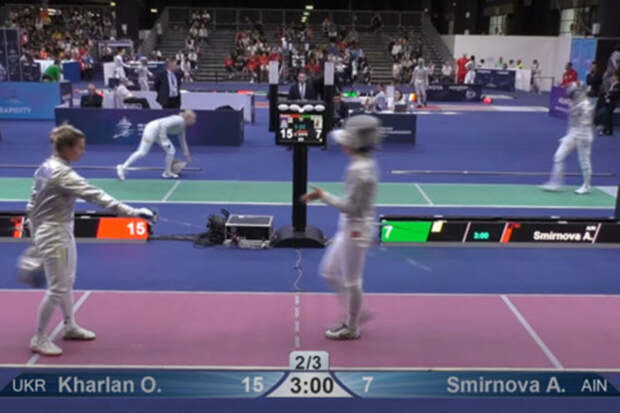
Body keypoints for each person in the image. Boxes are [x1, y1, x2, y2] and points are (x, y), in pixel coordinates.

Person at [16, 125, 154, 356]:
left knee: (67, 281)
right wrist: (131, 212)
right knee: (58, 288)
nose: (83, 151)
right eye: (80, 147)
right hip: (54, 234)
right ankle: (39, 338)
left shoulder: (45, 166)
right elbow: (95, 195)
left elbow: (32, 203)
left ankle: (69, 326)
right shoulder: (62, 174)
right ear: (66, 148)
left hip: (57, 230)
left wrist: (35, 230)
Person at [301, 115, 380, 340]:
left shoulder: (359, 170)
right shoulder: (364, 163)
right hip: (350, 226)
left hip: (356, 229)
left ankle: (352, 326)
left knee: (352, 281)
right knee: (328, 271)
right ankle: (357, 311)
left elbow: (350, 208)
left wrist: (322, 196)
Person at [541, 83, 594, 194]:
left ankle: (587, 185)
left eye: (573, 95)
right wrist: (568, 136)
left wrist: (576, 137)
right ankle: (555, 183)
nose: (571, 98)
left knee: (584, 161)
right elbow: (573, 123)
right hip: (573, 134)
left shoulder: (586, 105)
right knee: (558, 156)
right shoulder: (574, 103)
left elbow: (586, 123)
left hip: (584, 136)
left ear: (578, 93)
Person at [116, 110, 197, 180]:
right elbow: (164, 125)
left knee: (171, 151)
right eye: (194, 119)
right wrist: (164, 140)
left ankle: (167, 172)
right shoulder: (179, 120)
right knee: (142, 152)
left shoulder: (182, 126)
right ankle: (122, 167)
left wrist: (187, 154)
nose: (195, 121)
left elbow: (182, 141)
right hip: (152, 129)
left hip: (157, 132)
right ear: (188, 118)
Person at [597, 69, 619, 136]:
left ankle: (608, 130)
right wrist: (607, 95)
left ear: (617, 76)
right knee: (607, 115)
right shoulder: (614, 83)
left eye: (614, 76)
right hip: (609, 101)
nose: (613, 77)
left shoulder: (618, 84)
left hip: (613, 101)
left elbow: (615, 94)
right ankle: (607, 129)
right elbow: (611, 91)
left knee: (608, 115)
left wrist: (608, 96)